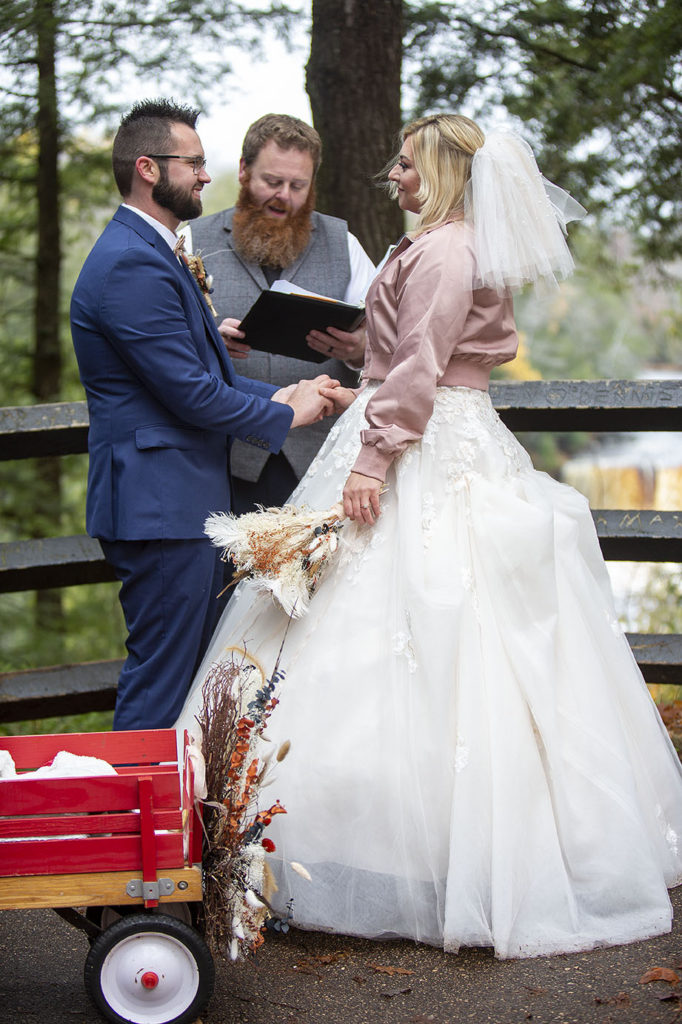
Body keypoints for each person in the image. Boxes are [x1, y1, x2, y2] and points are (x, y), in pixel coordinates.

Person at [177, 114, 682, 958]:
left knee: (428, 623)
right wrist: (356, 341)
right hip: (441, 423)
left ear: (442, 170)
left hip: (421, 440)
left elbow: (418, 370)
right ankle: (376, 847)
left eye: (406, 163)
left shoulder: (446, 249)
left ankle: (408, 856)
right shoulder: (443, 244)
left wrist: (372, 461)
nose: (394, 174)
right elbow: (413, 346)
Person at [70, 99, 337, 732]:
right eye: (192, 162)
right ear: (148, 168)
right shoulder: (133, 261)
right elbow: (189, 394)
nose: (204, 176)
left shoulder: (152, 250)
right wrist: (286, 413)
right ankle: (126, 824)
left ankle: (164, 820)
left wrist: (272, 393)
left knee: (188, 672)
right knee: (162, 680)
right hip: (161, 505)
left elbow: (188, 373)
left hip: (179, 499)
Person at [184, 113, 376, 512]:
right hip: (224, 461)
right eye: (272, 182)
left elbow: (390, 345)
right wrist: (209, 342)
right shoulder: (191, 241)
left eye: (298, 186)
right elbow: (169, 346)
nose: (284, 196)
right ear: (243, 171)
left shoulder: (346, 244)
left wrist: (357, 349)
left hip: (325, 461)